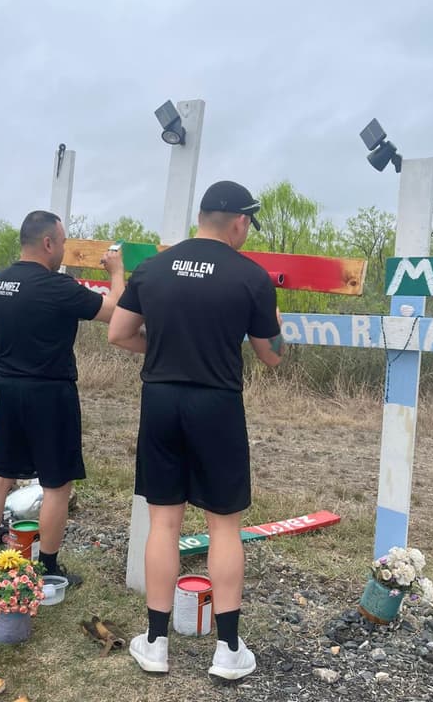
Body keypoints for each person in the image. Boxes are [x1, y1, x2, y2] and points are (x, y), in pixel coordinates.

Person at [109, 180, 284, 680]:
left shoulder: (154, 267)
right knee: (223, 525)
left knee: (163, 522)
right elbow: (271, 356)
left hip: (161, 398)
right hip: (217, 403)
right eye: (248, 222)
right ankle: (228, 651)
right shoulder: (249, 276)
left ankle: (156, 643)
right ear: (237, 221)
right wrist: (274, 324)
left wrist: (164, 350)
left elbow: (119, 334)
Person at [0, 211, 125, 588]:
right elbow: (115, 311)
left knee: (0, 477)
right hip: (51, 393)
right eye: (63, 242)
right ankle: (48, 566)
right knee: (56, 485)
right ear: (48, 243)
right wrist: (116, 271)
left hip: (10, 389)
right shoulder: (57, 287)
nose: (64, 249)